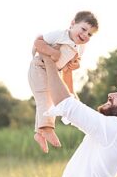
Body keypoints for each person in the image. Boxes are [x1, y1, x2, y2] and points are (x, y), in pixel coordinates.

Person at [28, 10, 99, 152]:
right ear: (72, 24)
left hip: (54, 72)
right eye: (83, 29)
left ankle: (39, 133)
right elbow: (38, 42)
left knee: (50, 99)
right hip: (39, 67)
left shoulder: (81, 47)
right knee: (44, 98)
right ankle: (47, 128)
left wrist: (75, 64)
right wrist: (53, 52)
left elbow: (74, 62)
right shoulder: (60, 35)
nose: (85, 35)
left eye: (90, 34)